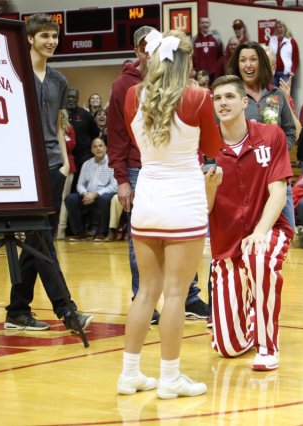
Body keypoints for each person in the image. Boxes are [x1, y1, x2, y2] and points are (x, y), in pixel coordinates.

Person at [117, 29, 223, 397]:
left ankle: (129, 374)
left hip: (147, 199)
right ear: (186, 62)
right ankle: (170, 377)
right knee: (176, 293)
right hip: (183, 201)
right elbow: (213, 147)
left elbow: (135, 141)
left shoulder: (133, 95)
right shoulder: (197, 97)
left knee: (146, 292)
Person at [107, 26, 211, 321]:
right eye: (144, 47)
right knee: (140, 240)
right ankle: (145, 299)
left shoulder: (183, 85)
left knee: (184, 235)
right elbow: (119, 136)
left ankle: (189, 297)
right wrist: (122, 179)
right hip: (142, 168)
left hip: (182, 169)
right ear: (137, 52)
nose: (151, 51)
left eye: (155, 44)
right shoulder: (124, 88)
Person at [5, 13, 92, 333]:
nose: (51, 42)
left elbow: (57, 122)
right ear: (29, 38)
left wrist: (65, 159)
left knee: (38, 237)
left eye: (54, 37)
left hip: (54, 164)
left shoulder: (59, 79)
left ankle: (17, 310)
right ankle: (66, 310)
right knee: (41, 237)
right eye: (44, 36)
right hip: (24, 165)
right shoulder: (12, 75)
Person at [205, 75, 292, 371]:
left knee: (259, 255)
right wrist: (211, 186)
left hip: (269, 229)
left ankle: (268, 347)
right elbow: (204, 208)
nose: (223, 103)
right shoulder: (204, 147)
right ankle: (252, 316)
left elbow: (278, 193)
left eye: (229, 97)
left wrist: (259, 232)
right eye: (217, 98)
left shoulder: (271, 135)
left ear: (244, 102)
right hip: (226, 245)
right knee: (227, 349)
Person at [228, 40, 297, 230]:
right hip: (245, 182)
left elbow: (291, 132)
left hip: (278, 177)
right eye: (243, 60)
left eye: (253, 59)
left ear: (262, 64)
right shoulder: (231, 96)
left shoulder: (277, 95)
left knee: (285, 236)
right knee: (247, 239)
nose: (248, 64)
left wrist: (279, 152)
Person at [65, 138, 117, 241]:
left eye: (101, 146)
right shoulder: (87, 164)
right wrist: (85, 193)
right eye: (95, 146)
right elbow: (80, 184)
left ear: (106, 148)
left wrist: (96, 194)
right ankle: (79, 232)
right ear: (91, 150)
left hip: (102, 195)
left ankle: (102, 232)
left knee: (105, 199)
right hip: (87, 195)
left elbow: (114, 186)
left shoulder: (112, 163)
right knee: (70, 199)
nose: (98, 149)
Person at [67, 87, 100, 177]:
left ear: (77, 98)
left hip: (83, 156)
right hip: (66, 157)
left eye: (73, 97)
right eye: (68, 97)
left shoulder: (85, 114)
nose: (71, 99)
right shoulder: (60, 114)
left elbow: (95, 133)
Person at [56, 115, 78, 240]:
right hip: (52, 165)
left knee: (64, 198)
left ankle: (61, 229)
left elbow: (70, 146)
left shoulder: (69, 128)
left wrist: (62, 136)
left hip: (67, 166)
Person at [268, 20, 299, 87]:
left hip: (286, 73)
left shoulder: (291, 41)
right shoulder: (271, 40)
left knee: (285, 94)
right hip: (273, 72)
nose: (279, 29)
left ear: (285, 28)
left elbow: (295, 58)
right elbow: (267, 55)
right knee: (274, 94)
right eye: (277, 27)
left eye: (281, 27)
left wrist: (293, 70)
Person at [192, 17, 224, 81]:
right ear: (199, 25)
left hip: (213, 72)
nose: (204, 24)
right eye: (202, 23)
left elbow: (221, 55)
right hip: (200, 72)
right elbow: (192, 56)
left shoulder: (217, 39)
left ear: (209, 24)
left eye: (206, 22)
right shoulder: (194, 39)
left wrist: (218, 68)